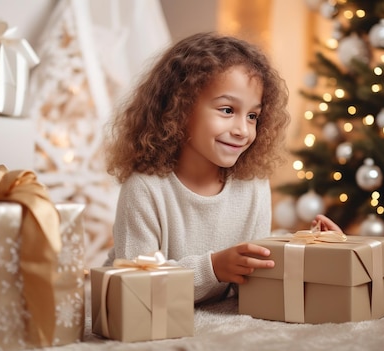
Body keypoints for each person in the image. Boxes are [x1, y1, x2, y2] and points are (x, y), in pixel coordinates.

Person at [103, 32, 341, 303]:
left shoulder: (253, 186)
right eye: (227, 110)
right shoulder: (144, 190)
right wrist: (213, 268)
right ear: (178, 109)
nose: (242, 130)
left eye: (253, 116)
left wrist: (318, 250)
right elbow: (136, 290)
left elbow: (251, 279)